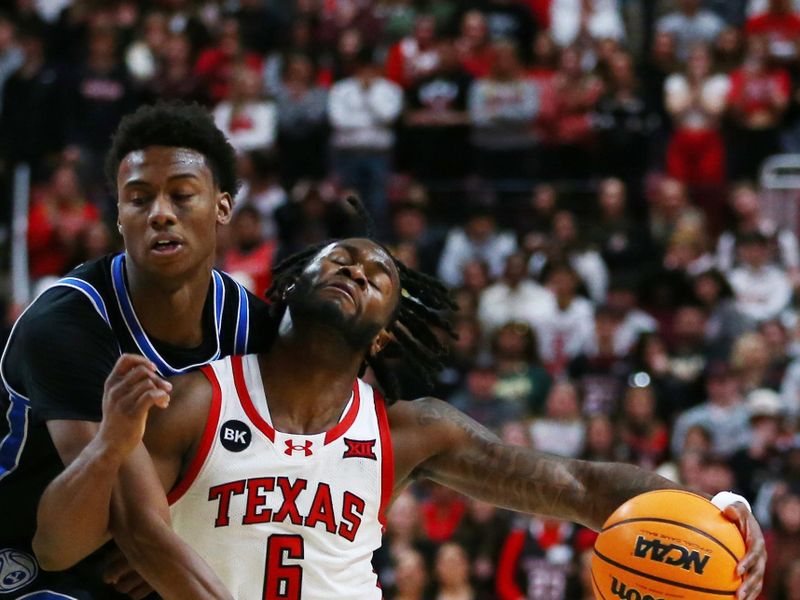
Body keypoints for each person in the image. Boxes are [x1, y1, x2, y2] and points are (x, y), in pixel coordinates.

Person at [45, 230, 766, 599]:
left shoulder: (407, 429)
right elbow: (126, 537)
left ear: (387, 333)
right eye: (339, 261)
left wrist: (718, 509)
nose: (358, 270)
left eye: (380, 275)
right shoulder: (196, 399)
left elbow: (578, 486)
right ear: (292, 283)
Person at [0, 101, 277, 599]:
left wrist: (184, 538)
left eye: (182, 195)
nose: (161, 214)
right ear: (120, 216)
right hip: (25, 551)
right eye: (140, 199)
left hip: (143, 548)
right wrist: (152, 536)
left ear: (222, 206)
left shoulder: (254, 328)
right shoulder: (66, 324)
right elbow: (68, 542)